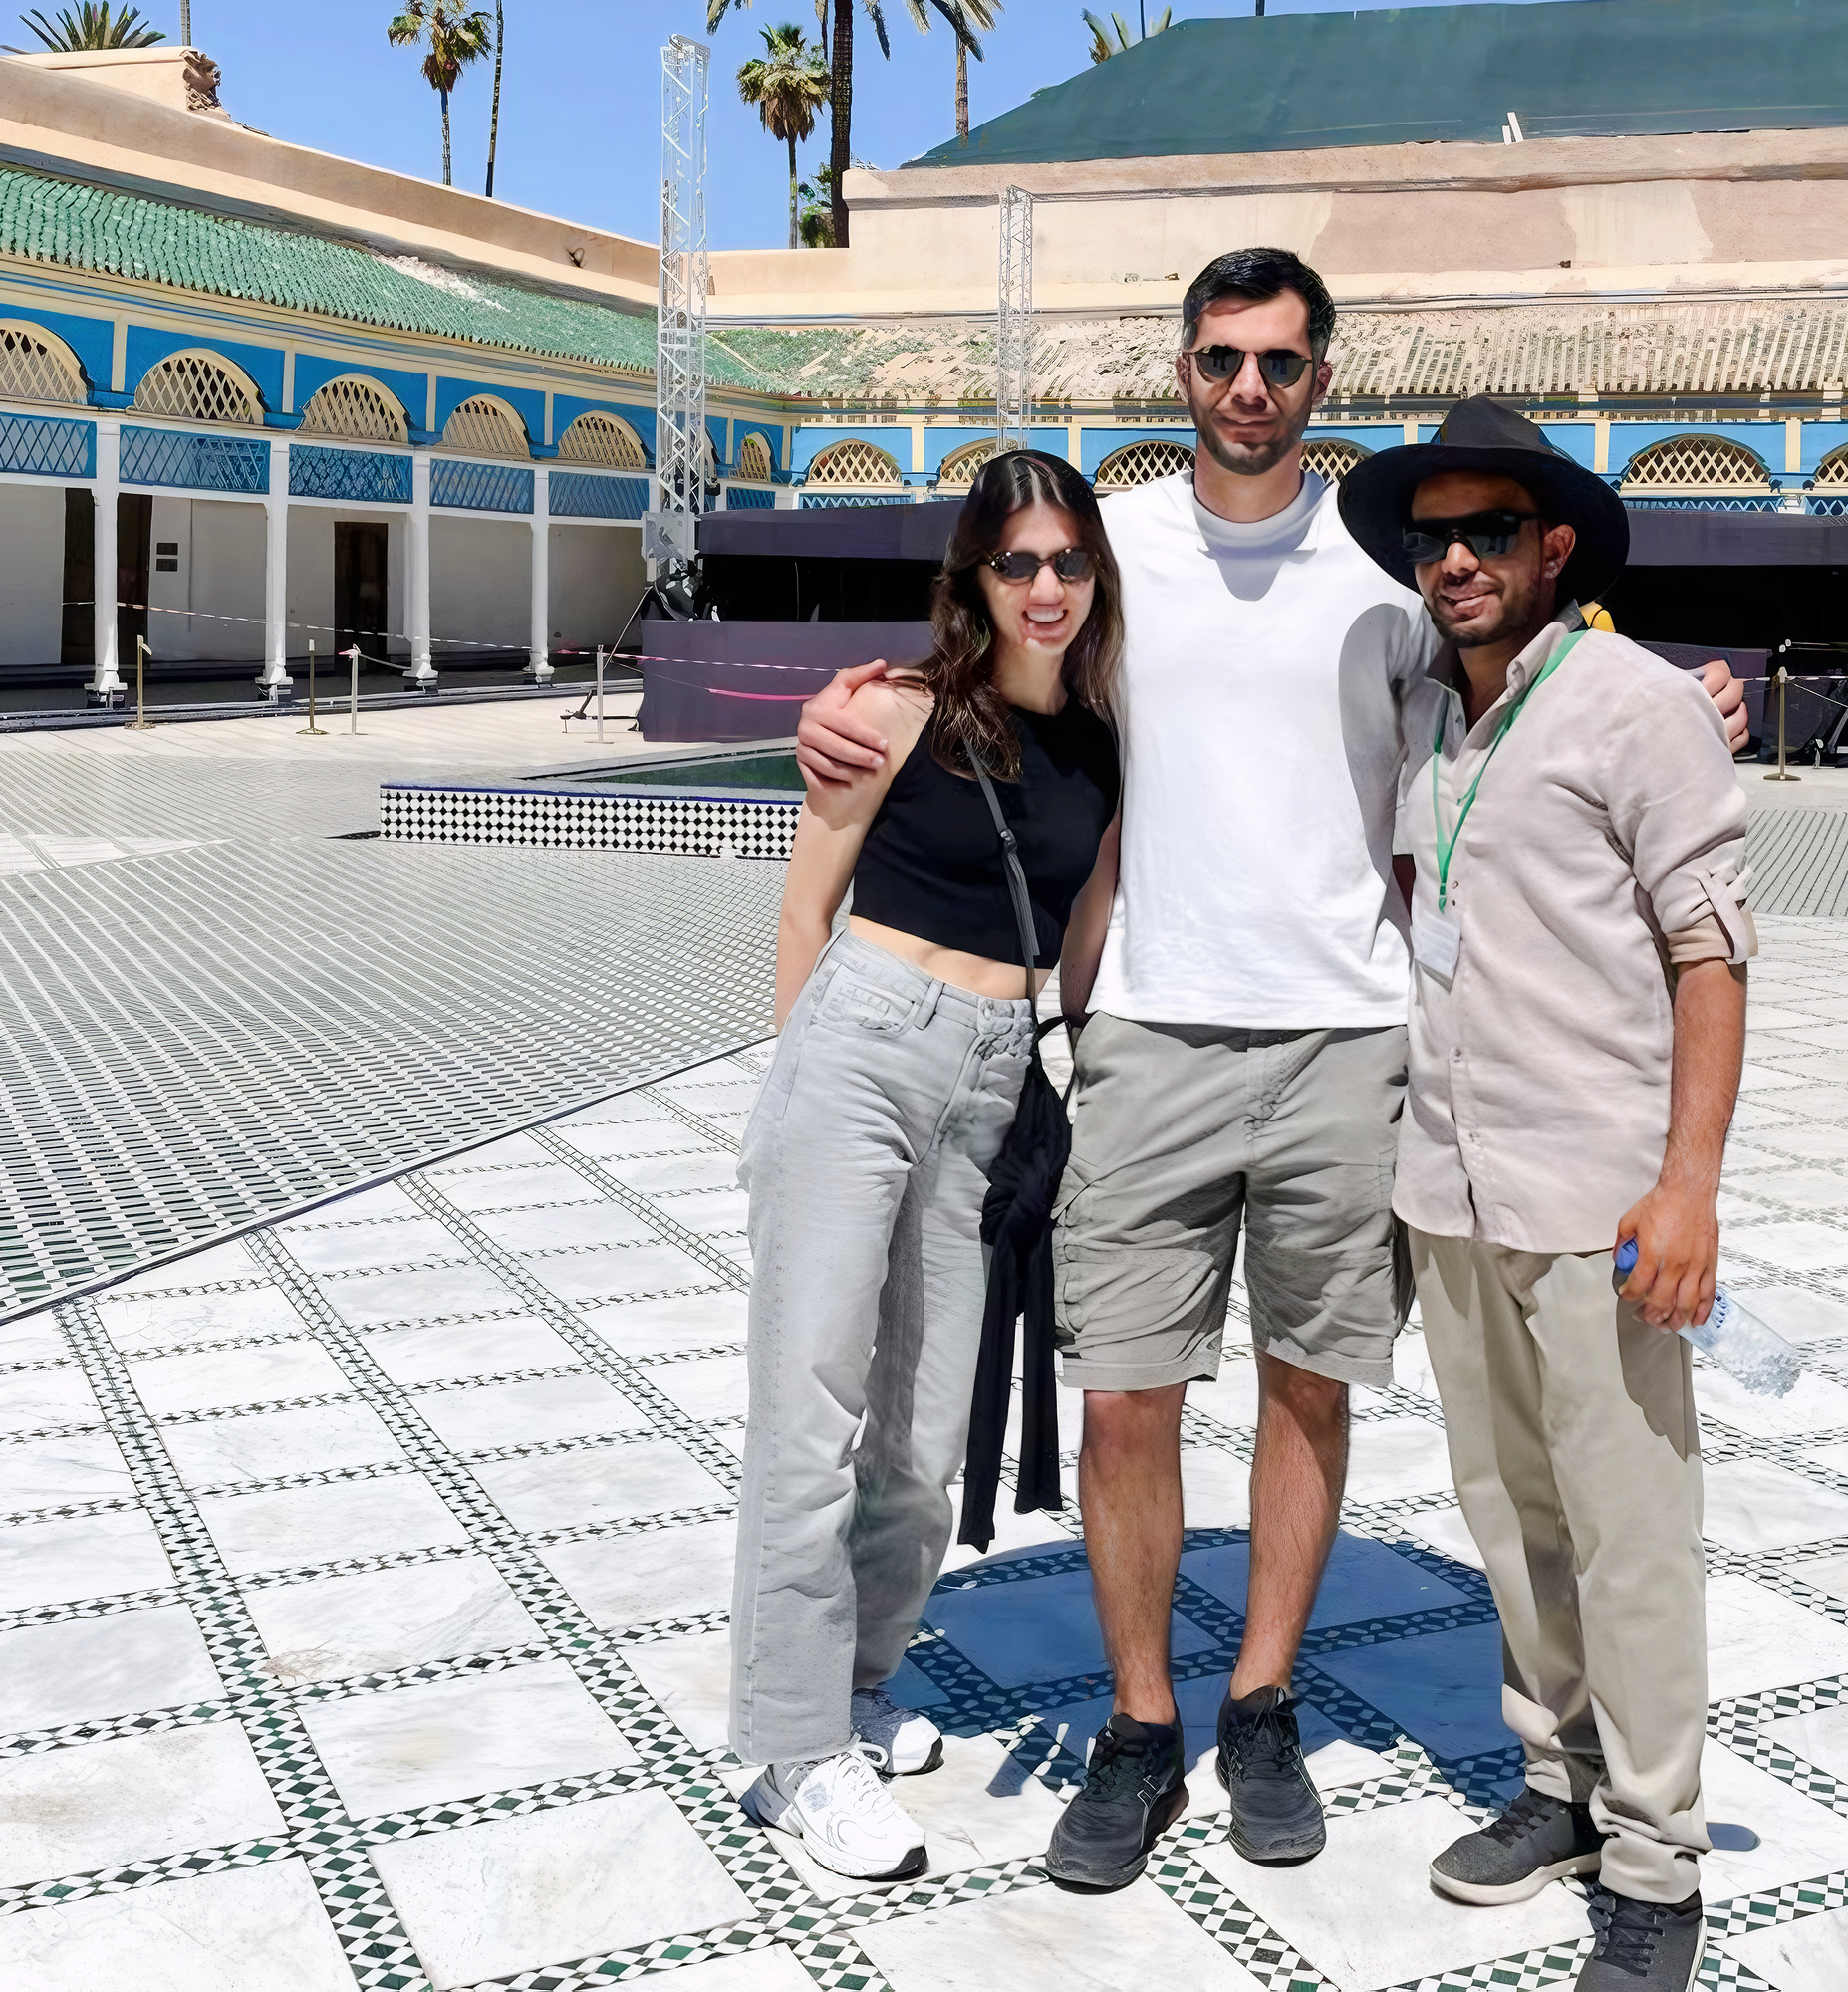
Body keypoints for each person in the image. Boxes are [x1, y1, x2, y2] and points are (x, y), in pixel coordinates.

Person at [800, 249, 1751, 1894]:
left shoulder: (1385, 577)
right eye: (1223, 358)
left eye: (1283, 363)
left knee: (1313, 1387)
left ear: (1323, 381)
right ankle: (1141, 1721)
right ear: (1181, 370)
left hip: (1347, 1041)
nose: (1250, 387)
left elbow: (1520, 685)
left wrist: (1685, 689)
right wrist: (855, 703)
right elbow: (999, 647)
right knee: (1125, 1399)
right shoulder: (1123, 548)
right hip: (1150, 1033)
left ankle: (1260, 1702)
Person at [1331, 398, 1746, 1992]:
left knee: (1630, 1529)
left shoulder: (1637, 707)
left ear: (1553, 546)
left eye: (1489, 531)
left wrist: (1689, 1186)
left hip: (1598, 1199)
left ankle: (1654, 1857)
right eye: (1434, 536)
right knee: (1511, 1521)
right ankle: (1559, 1785)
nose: (1455, 560)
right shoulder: (1437, 720)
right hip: (1450, 1189)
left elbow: (1712, 957)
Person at [732, 449, 1125, 1881]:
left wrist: (1074, 1086)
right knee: (811, 1404)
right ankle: (791, 1750)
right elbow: (802, 907)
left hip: (995, 1072)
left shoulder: (1102, 744)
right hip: (864, 1043)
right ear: (972, 578)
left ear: (1095, 578)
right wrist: (793, 1094)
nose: (1044, 588)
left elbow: (1080, 943)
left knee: (923, 1425)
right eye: (1015, 562)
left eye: (1067, 561)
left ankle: (857, 1683)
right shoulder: (893, 715)